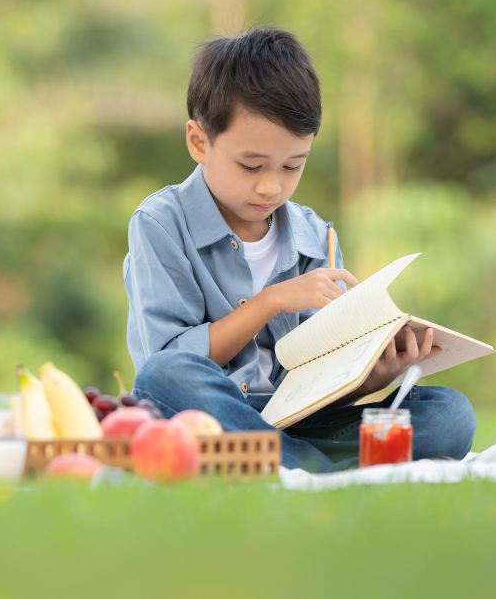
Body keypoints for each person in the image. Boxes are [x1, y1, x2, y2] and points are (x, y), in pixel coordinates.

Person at [122, 27, 476, 472]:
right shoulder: (160, 223)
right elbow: (169, 358)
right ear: (199, 142)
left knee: (449, 414)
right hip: (208, 414)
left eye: (293, 166)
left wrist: (371, 377)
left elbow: (318, 381)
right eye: (251, 165)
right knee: (164, 376)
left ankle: (286, 461)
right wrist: (270, 302)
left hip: (299, 424)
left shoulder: (315, 235)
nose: (272, 186)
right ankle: (311, 466)